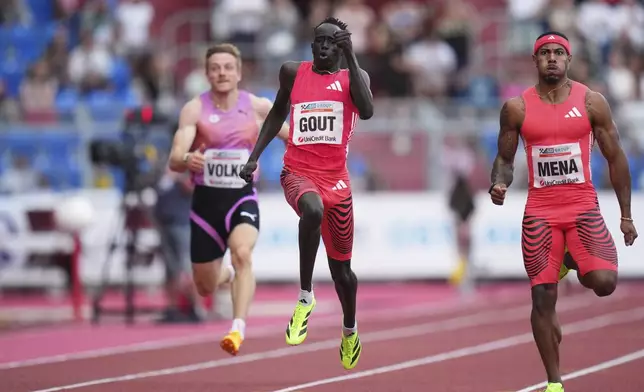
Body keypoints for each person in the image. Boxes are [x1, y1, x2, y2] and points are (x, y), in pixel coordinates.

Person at [489, 31, 638, 392]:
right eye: (545, 53)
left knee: (604, 283)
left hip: (583, 207)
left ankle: (570, 261)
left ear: (568, 60)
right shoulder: (516, 108)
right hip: (541, 212)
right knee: (543, 297)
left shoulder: (592, 102)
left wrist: (626, 215)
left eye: (559, 53)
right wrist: (499, 182)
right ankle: (554, 382)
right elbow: (505, 159)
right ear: (535, 61)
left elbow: (616, 158)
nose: (552, 58)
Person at [239, 17, 374, 370]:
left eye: (334, 42)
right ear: (311, 46)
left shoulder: (353, 79)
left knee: (343, 273)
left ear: (342, 47)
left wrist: (352, 56)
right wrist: (254, 158)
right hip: (298, 172)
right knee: (311, 210)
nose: (326, 46)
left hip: (337, 182)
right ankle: (305, 296)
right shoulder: (291, 73)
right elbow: (275, 115)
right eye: (320, 41)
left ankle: (350, 330)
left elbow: (369, 110)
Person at [168, 43, 290, 356]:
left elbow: (292, 136)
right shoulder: (194, 109)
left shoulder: (257, 107)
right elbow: (174, 159)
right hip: (205, 205)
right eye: (215, 68)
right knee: (205, 285)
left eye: (228, 67)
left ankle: (237, 329)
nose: (222, 72)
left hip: (241, 198)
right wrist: (187, 158)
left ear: (238, 73)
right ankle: (228, 277)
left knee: (242, 253)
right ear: (207, 73)